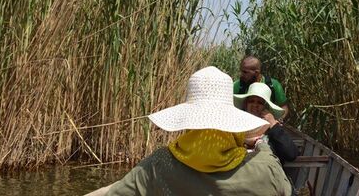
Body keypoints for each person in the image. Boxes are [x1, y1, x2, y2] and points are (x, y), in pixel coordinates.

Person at [93, 66, 292, 196]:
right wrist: (261, 147)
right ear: (232, 123)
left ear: (189, 122)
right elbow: (286, 188)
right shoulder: (266, 168)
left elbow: (117, 192)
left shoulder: (160, 164)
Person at [234, 82, 298, 166]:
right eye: (251, 101)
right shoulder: (236, 124)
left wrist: (273, 125)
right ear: (246, 104)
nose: (255, 105)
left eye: (259, 103)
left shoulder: (273, 129)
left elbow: (291, 154)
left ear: (266, 107)